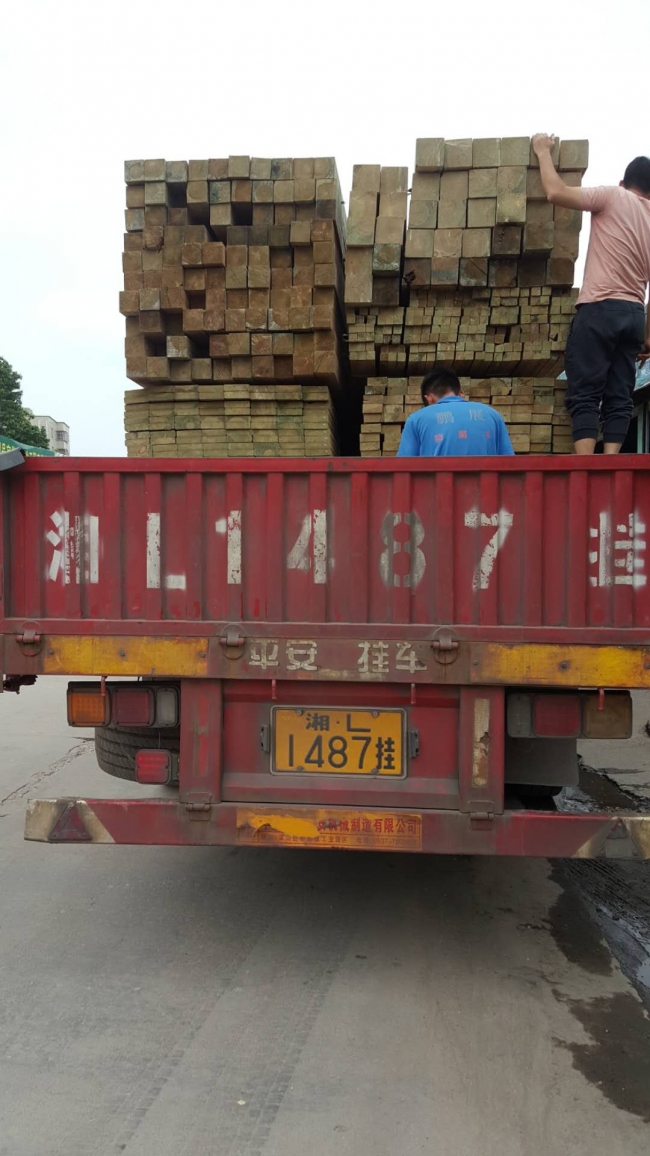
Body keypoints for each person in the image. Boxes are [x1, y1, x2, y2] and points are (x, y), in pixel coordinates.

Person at [532, 134, 650, 455]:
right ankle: (610, 463)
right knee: (620, 395)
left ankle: (586, 465)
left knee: (585, 392)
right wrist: (647, 336)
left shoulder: (612, 196)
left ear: (624, 182)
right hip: (634, 314)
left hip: (600, 309)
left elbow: (555, 192)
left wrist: (543, 152)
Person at [397, 369, 514, 457]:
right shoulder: (493, 415)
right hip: (487, 484)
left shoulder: (416, 420)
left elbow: (403, 469)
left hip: (437, 484)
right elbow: (509, 464)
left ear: (429, 399)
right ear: (461, 393)